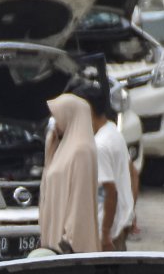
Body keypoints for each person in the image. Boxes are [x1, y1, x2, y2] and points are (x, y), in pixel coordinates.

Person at [73, 82, 137, 250]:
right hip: (119, 225)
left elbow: (110, 191)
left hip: (106, 233)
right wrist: (130, 212)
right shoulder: (114, 132)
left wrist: (105, 232)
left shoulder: (99, 145)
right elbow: (133, 174)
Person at [38, 93, 99, 253]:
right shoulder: (63, 148)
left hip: (66, 245)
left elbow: (80, 201)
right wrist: (51, 141)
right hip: (52, 238)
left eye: (57, 116)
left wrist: (68, 241)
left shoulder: (81, 151)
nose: (54, 122)